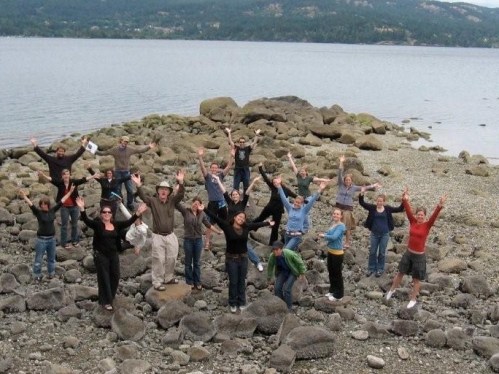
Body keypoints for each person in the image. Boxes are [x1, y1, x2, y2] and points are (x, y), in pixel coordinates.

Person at [76, 196, 147, 311]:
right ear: (101, 214)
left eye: (109, 212)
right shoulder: (98, 225)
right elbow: (86, 221)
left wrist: (138, 213)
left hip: (113, 255)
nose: (107, 214)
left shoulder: (116, 225)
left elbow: (129, 221)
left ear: (111, 214)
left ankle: (111, 296)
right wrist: (82, 209)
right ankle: (105, 301)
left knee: (115, 276)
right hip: (100, 255)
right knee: (104, 278)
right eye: (104, 212)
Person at [202, 206, 273, 313]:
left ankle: (242, 301)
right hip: (231, 259)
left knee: (241, 281)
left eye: (243, 218)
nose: (241, 219)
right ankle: (233, 302)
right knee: (233, 282)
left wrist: (267, 223)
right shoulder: (227, 226)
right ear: (235, 217)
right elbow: (216, 218)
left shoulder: (246, 227)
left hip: (243, 258)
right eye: (239, 216)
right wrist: (205, 209)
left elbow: (256, 224)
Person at [385, 188, 447, 309]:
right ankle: (391, 290)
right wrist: (405, 198)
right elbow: (407, 210)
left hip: (419, 256)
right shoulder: (413, 221)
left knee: (416, 279)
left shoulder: (427, 225)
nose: (419, 216)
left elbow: (434, 215)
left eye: (422, 215)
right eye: (418, 214)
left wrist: (440, 204)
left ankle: (413, 299)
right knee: (400, 273)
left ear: (424, 216)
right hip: (408, 253)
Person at [132, 171, 185, 291]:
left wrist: (181, 182)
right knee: (158, 259)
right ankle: (157, 281)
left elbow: (181, 195)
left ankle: (168, 277)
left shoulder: (172, 201)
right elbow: (143, 197)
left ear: (169, 192)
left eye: (166, 189)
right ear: (158, 191)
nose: (164, 191)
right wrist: (138, 185)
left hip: (171, 235)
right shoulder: (153, 201)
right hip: (158, 236)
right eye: (161, 189)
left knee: (172, 258)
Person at [19, 186, 75, 281]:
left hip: (52, 239)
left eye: (45, 204)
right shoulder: (38, 213)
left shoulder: (52, 211)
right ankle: (36, 274)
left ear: (48, 205)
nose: (43, 206)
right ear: (40, 205)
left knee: (51, 258)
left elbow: (62, 201)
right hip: (41, 240)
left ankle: (51, 273)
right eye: (42, 204)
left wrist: (70, 192)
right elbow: (31, 204)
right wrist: (24, 196)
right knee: (38, 259)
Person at [212, 173, 265, 272]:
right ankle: (230, 265)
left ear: (239, 196)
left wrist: (253, 182)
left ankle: (257, 262)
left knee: (245, 246)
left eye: (236, 194)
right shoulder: (230, 202)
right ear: (231, 196)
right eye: (233, 195)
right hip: (230, 228)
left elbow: (248, 192)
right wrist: (218, 180)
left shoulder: (242, 203)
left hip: (240, 228)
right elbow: (223, 191)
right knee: (230, 245)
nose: (235, 196)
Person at [40, 168, 97, 248]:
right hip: (64, 207)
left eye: (67, 174)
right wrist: (43, 175)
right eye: (64, 174)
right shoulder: (60, 183)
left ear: (69, 175)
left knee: (74, 224)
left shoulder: (73, 182)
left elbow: (83, 180)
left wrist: (93, 176)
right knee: (64, 225)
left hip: (74, 206)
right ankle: (64, 243)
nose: (66, 176)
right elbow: (52, 179)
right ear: (62, 176)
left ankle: (75, 241)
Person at [97, 135, 156, 211]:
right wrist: (92, 150)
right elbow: (104, 153)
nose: (125, 143)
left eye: (127, 142)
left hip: (126, 172)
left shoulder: (129, 149)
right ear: (121, 141)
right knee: (118, 190)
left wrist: (149, 147)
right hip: (117, 172)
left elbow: (139, 150)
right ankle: (121, 205)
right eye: (124, 141)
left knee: (130, 190)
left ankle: (130, 204)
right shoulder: (114, 150)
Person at [335, 155, 381, 248]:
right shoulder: (341, 185)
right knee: (337, 224)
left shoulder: (354, 188)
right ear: (344, 180)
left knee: (347, 227)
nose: (347, 181)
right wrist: (341, 162)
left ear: (351, 181)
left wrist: (374, 185)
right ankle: (337, 240)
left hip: (348, 208)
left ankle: (347, 242)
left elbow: (364, 188)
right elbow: (340, 173)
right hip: (339, 207)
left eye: (349, 180)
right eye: (346, 180)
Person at [175, 197, 221, 290]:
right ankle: (189, 282)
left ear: (200, 206)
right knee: (188, 263)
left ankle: (197, 281)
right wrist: (177, 192)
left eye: (197, 204)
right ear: (191, 203)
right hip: (188, 240)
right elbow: (176, 203)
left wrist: (218, 232)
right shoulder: (186, 211)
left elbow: (208, 224)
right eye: (194, 203)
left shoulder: (202, 214)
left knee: (197, 263)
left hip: (198, 241)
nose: (195, 205)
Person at [359, 188, 405, 277]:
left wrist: (404, 199)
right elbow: (362, 203)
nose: (379, 203)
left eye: (381, 201)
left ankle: (380, 269)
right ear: (376, 201)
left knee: (382, 252)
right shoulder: (372, 208)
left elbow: (399, 209)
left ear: (384, 202)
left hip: (384, 234)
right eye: (378, 201)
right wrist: (362, 193)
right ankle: (371, 268)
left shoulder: (387, 209)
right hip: (374, 234)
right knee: (372, 251)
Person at [275, 175, 328, 251]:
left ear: (302, 204)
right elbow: (283, 198)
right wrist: (279, 186)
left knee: (285, 251)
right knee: (290, 253)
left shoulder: (304, 210)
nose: (297, 204)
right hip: (287, 234)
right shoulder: (290, 208)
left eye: (299, 203)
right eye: (296, 202)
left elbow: (312, 200)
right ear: (294, 201)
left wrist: (320, 189)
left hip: (296, 236)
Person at [197, 147, 234, 251]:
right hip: (212, 203)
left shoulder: (221, 176)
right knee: (209, 223)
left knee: (226, 223)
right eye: (212, 168)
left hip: (222, 202)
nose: (214, 169)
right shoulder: (207, 177)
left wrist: (232, 156)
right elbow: (202, 168)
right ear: (210, 169)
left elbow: (228, 167)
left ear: (218, 169)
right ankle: (207, 243)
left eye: (215, 168)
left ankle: (230, 241)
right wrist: (200, 157)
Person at [253, 163, 297, 245]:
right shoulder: (273, 187)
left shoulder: (285, 190)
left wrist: (307, 200)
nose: (274, 183)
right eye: (273, 182)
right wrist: (260, 168)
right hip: (269, 208)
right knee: (260, 218)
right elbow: (266, 178)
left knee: (275, 227)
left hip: (278, 211)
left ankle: (272, 244)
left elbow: (296, 196)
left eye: (275, 182)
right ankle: (249, 229)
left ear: (279, 182)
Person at [287, 151, 331, 233]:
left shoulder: (309, 178)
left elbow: (318, 179)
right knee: (299, 211)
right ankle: (302, 225)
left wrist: (326, 180)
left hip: (307, 197)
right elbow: (293, 167)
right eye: (301, 171)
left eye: (303, 171)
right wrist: (290, 158)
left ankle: (306, 228)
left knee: (304, 212)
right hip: (300, 197)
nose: (301, 172)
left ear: (306, 172)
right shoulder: (298, 176)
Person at [267, 241, 306, 311]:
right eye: (273, 250)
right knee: (277, 288)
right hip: (282, 271)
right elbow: (270, 267)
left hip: (292, 271)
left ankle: (289, 307)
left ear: (281, 249)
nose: (275, 252)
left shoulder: (289, 253)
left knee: (286, 289)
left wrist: (302, 273)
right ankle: (281, 304)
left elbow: (300, 262)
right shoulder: (272, 256)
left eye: (277, 250)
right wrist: (269, 278)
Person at [319, 208, 346, 301]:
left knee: (337, 274)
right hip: (330, 251)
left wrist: (324, 236)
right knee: (331, 272)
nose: (335, 215)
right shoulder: (333, 224)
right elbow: (330, 235)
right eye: (334, 213)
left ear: (341, 216)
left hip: (337, 253)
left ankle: (339, 295)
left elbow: (334, 237)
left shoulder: (341, 226)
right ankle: (333, 290)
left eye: (337, 214)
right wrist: (324, 234)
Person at [225, 127, 261, 193]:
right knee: (235, 186)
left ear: (245, 142)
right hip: (237, 169)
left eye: (243, 142)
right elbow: (230, 141)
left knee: (246, 186)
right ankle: (235, 199)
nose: (242, 143)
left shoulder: (247, 149)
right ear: (239, 142)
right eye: (240, 142)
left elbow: (254, 142)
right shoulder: (236, 148)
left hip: (245, 170)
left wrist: (257, 135)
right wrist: (229, 133)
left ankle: (245, 199)